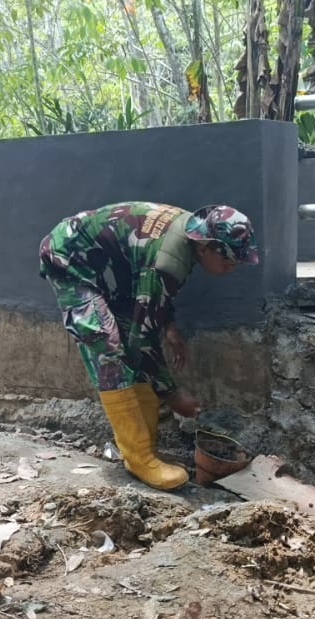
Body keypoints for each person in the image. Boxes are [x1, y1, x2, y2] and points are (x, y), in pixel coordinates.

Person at [39, 202, 259, 490]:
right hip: (68, 258)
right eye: (229, 261)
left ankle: (146, 449)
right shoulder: (170, 260)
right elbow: (142, 340)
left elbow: (151, 289)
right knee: (107, 345)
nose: (232, 268)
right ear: (204, 246)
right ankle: (139, 457)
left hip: (107, 267)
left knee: (133, 332)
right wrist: (171, 393)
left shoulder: (188, 236)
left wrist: (168, 326)